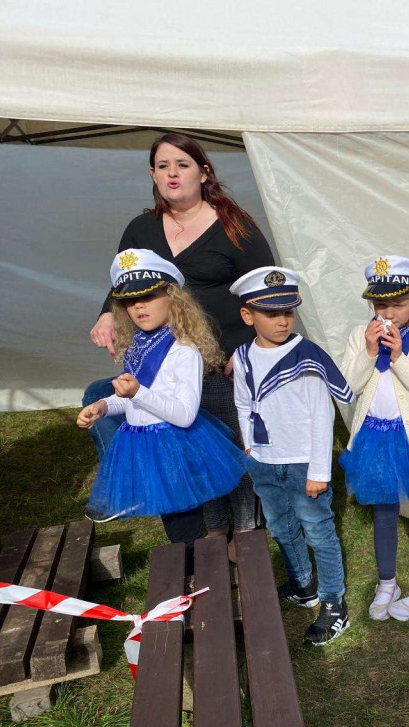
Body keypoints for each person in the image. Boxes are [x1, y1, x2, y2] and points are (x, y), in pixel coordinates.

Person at [85, 132, 275, 547]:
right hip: (163, 359)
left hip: (223, 359)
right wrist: (106, 313)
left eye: (183, 164)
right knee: (185, 452)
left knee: (229, 449)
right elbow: (123, 281)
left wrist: (246, 351)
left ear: (204, 173)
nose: (172, 173)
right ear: (152, 174)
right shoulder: (142, 227)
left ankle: (245, 538)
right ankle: (210, 537)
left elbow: (264, 291)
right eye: (163, 165)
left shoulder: (234, 225)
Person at [77, 249, 246, 559]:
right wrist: (103, 406)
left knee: (184, 523)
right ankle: (195, 572)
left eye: (150, 295)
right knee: (174, 521)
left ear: (173, 298)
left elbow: (183, 415)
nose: (139, 304)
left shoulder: (184, 351)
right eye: (129, 300)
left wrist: (137, 393)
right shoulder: (137, 347)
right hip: (145, 444)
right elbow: (130, 401)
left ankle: (201, 577)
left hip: (173, 445)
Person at [230, 267, 354, 646]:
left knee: (318, 531)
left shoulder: (307, 356)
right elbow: (242, 400)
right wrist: (250, 446)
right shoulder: (242, 356)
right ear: (248, 316)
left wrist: (319, 471)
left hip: (303, 462)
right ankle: (304, 584)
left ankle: (335, 604)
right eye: (271, 313)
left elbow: (323, 416)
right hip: (265, 460)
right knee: (281, 525)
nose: (283, 320)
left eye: (288, 312)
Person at [339, 255, 409, 622]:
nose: (387, 311)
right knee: (384, 514)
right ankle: (388, 582)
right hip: (374, 440)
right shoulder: (359, 336)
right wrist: (370, 352)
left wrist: (399, 356)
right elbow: (346, 389)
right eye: (380, 303)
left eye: (398, 304)